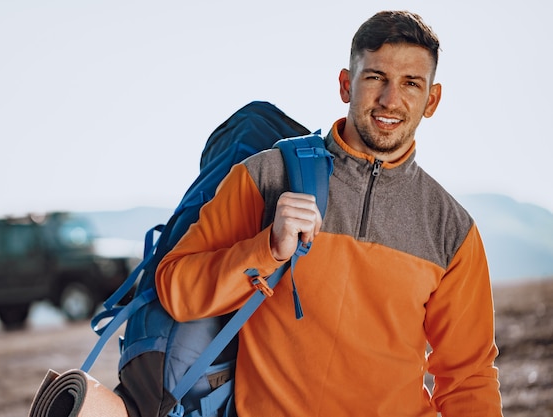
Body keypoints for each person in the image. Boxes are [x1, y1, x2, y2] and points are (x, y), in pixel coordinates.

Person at [156, 10, 503, 416]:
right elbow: (176, 290)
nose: (391, 100)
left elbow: (469, 378)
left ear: (432, 99)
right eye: (375, 77)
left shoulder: (451, 230)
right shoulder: (266, 176)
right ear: (345, 85)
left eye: (411, 83)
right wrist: (266, 249)